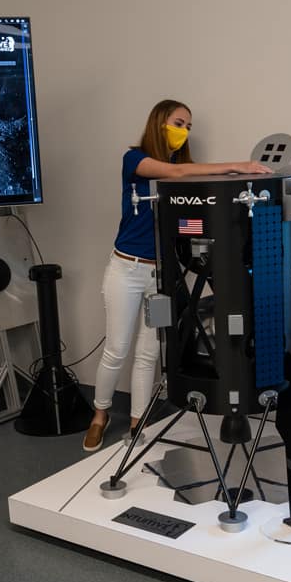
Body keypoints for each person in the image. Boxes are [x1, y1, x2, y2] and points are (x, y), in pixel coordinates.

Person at [84, 99, 273, 451]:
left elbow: (187, 215)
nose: (184, 131)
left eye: (188, 126)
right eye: (178, 122)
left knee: (149, 353)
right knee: (117, 349)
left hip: (161, 276)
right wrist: (238, 166)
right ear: (159, 122)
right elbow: (175, 174)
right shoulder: (135, 159)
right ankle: (100, 415)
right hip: (127, 269)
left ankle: (140, 420)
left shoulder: (183, 171)